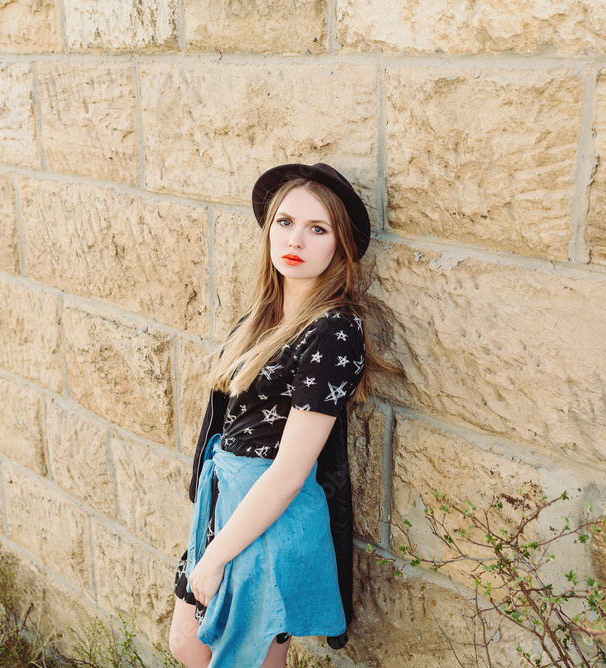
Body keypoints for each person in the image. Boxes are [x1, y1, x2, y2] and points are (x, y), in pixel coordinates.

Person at [169, 163, 379, 668]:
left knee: (247, 660)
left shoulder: (334, 332)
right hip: (228, 506)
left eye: (317, 229)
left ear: (339, 245)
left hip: (270, 518)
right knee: (189, 646)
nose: (296, 240)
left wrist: (217, 557)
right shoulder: (262, 318)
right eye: (285, 222)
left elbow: (290, 471)